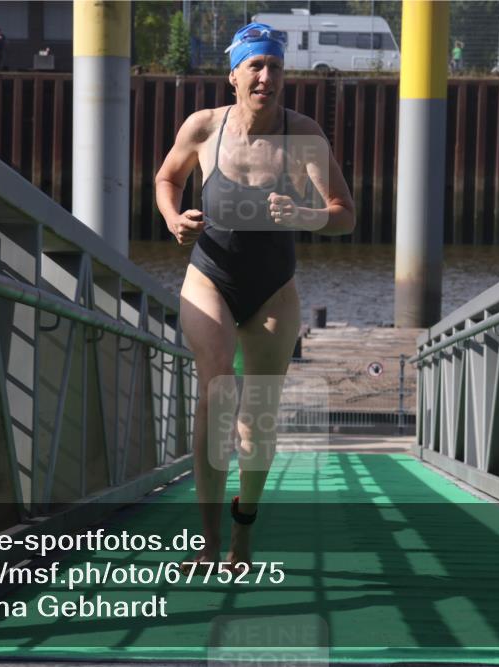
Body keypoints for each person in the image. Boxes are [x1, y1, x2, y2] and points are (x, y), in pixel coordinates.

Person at [154, 23, 355, 571]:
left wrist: (306, 215)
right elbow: (166, 179)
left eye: (275, 66)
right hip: (210, 275)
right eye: (256, 66)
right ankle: (209, 538)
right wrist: (175, 219)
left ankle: (244, 531)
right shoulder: (203, 127)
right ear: (234, 75)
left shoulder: (304, 134)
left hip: (273, 288)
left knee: (257, 419)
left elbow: (344, 214)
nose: (267, 76)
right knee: (217, 388)